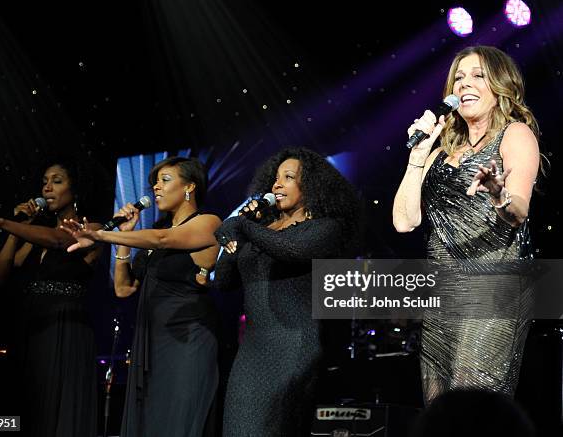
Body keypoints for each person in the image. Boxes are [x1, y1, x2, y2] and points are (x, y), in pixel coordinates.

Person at [392, 45, 541, 403]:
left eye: (477, 75)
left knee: (471, 400)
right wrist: (418, 155)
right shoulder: (440, 153)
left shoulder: (515, 134)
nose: (464, 84)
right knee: (437, 402)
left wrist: (497, 192)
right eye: (458, 77)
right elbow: (403, 221)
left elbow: (518, 210)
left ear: (500, 84)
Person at [62, 156, 221, 437]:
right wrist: (125, 235)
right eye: (155, 183)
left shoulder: (207, 222)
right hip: (150, 342)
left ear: (190, 187)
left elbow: (164, 241)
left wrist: (101, 235)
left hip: (186, 342)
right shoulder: (156, 233)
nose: (156, 188)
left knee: (178, 421)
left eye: (165, 180)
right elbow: (123, 289)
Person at [213, 146, 363, 437]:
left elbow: (291, 250)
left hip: (294, 347)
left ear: (310, 186)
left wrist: (241, 225)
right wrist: (236, 238)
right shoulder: (261, 229)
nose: (277, 184)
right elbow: (223, 282)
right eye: (275, 178)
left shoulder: (325, 228)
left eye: (288, 177)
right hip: (252, 352)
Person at [0, 155, 106, 437]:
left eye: (57, 181)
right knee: (28, 409)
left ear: (74, 189)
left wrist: (0, 221)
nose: (47, 189)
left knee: (56, 409)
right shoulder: (33, 235)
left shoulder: (93, 229)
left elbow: (58, 240)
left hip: (65, 328)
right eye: (44, 183)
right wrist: (18, 229)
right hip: (32, 324)